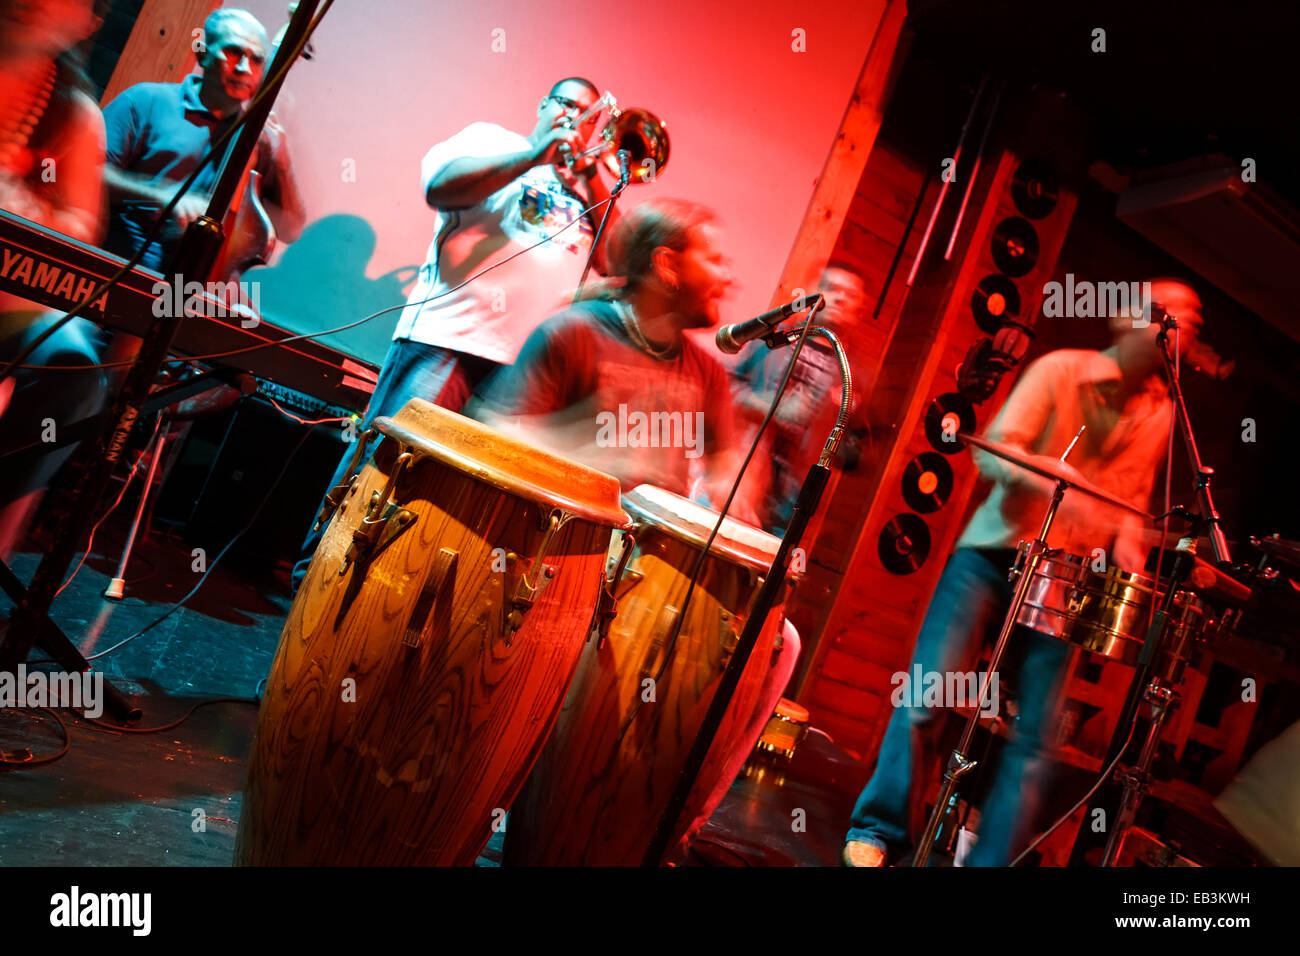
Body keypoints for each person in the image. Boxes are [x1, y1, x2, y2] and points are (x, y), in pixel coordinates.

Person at [842, 278, 1205, 867]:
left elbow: (1132, 512)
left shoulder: (1163, 412)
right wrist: (1069, 486)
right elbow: (992, 451)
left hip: (1070, 585)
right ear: (1125, 319)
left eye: (1191, 319)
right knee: (928, 697)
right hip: (994, 555)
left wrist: (1137, 579)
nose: (1180, 325)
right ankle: (878, 834)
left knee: (1036, 740)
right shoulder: (1061, 370)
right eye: (1168, 311)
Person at [468, 198, 794, 843]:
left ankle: (668, 825)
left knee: (780, 646)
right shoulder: (575, 332)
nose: (728, 277)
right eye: (715, 258)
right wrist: (591, 459)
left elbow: (730, 472)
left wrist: (732, 509)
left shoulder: (702, 367)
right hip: (567, 549)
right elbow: (497, 435)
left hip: (650, 565)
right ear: (668, 265)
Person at [294, 76, 618, 586]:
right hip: (452, 339)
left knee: (460, 499)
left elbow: (615, 260)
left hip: (523, 373)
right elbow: (440, 187)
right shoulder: (494, 141)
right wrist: (535, 155)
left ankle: (378, 611)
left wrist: (596, 181)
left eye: (591, 116)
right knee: (386, 469)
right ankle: (316, 582)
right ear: (543, 104)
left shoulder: (588, 189)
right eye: (568, 106)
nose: (577, 120)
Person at [0, 0, 108, 558]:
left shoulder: (73, 113)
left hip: (12, 312)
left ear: (87, 21)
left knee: (76, 372)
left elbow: (77, 232)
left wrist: (18, 202)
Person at [101, 7, 305, 274]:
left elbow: (291, 230)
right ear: (203, 53)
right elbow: (88, 173)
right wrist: (161, 194)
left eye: (256, 60)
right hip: (121, 265)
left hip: (202, 285)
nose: (245, 68)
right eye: (233, 53)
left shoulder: (256, 141)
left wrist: (281, 160)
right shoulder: (146, 101)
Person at [731, 264, 865, 533]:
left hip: (791, 504)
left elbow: (854, 453)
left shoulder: (853, 376)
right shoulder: (774, 338)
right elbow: (726, 391)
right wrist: (775, 408)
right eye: (832, 288)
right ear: (814, 294)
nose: (840, 298)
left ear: (859, 310)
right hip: (739, 480)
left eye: (850, 295)